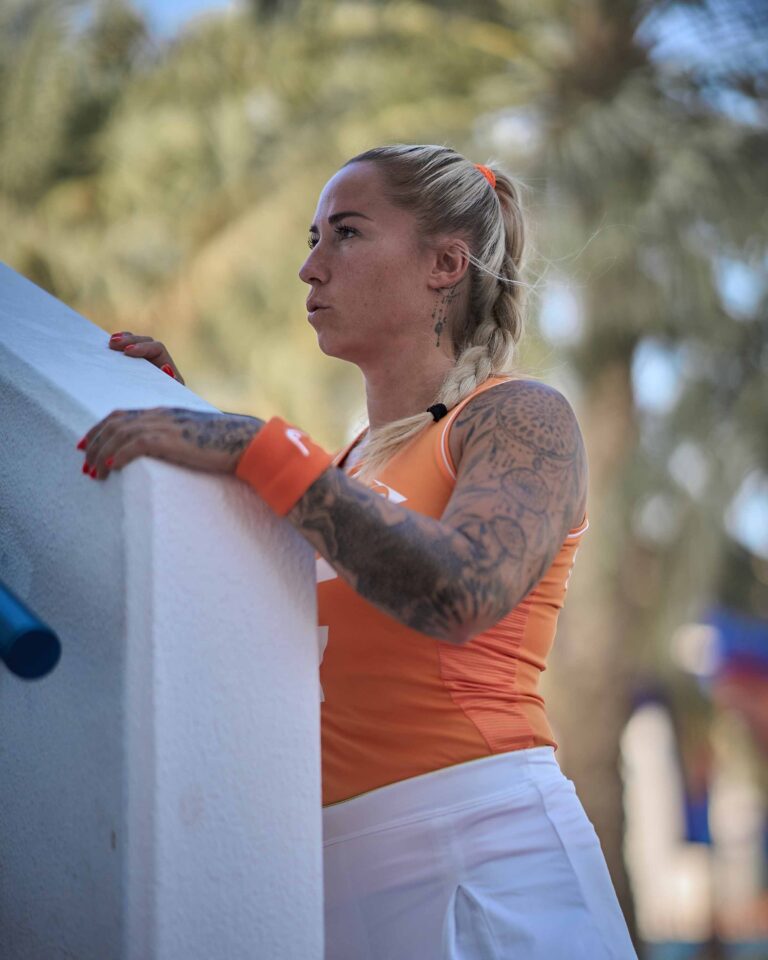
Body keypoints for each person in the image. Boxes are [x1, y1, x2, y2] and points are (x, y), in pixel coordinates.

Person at [79, 144, 637, 959]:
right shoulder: (344, 469)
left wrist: (254, 448)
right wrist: (191, 438)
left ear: (445, 264)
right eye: (313, 238)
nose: (310, 267)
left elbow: (460, 589)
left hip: (485, 853)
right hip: (328, 878)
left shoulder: (519, 415)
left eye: (345, 233)